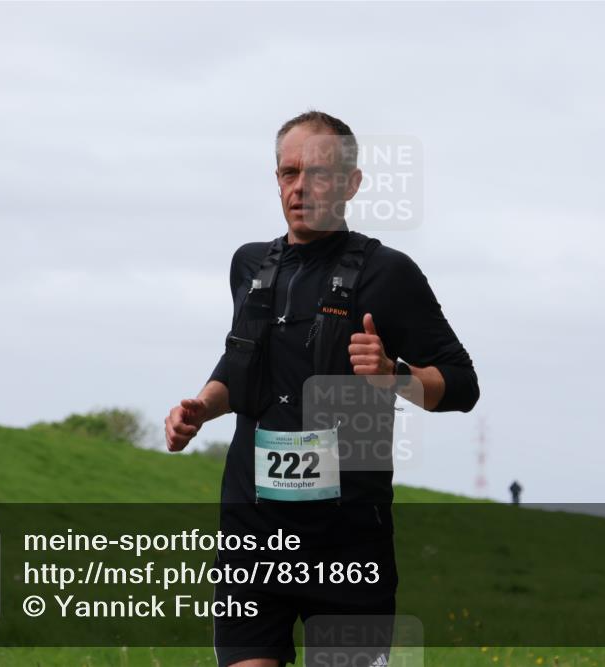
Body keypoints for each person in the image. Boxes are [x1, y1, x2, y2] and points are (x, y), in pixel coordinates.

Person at [165, 110, 479, 667]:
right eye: (289, 173)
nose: (300, 187)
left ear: (352, 183)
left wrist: (394, 375)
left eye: (318, 173)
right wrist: (202, 407)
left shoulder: (389, 273)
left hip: (348, 539)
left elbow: (461, 384)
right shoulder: (249, 265)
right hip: (252, 534)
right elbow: (242, 362)